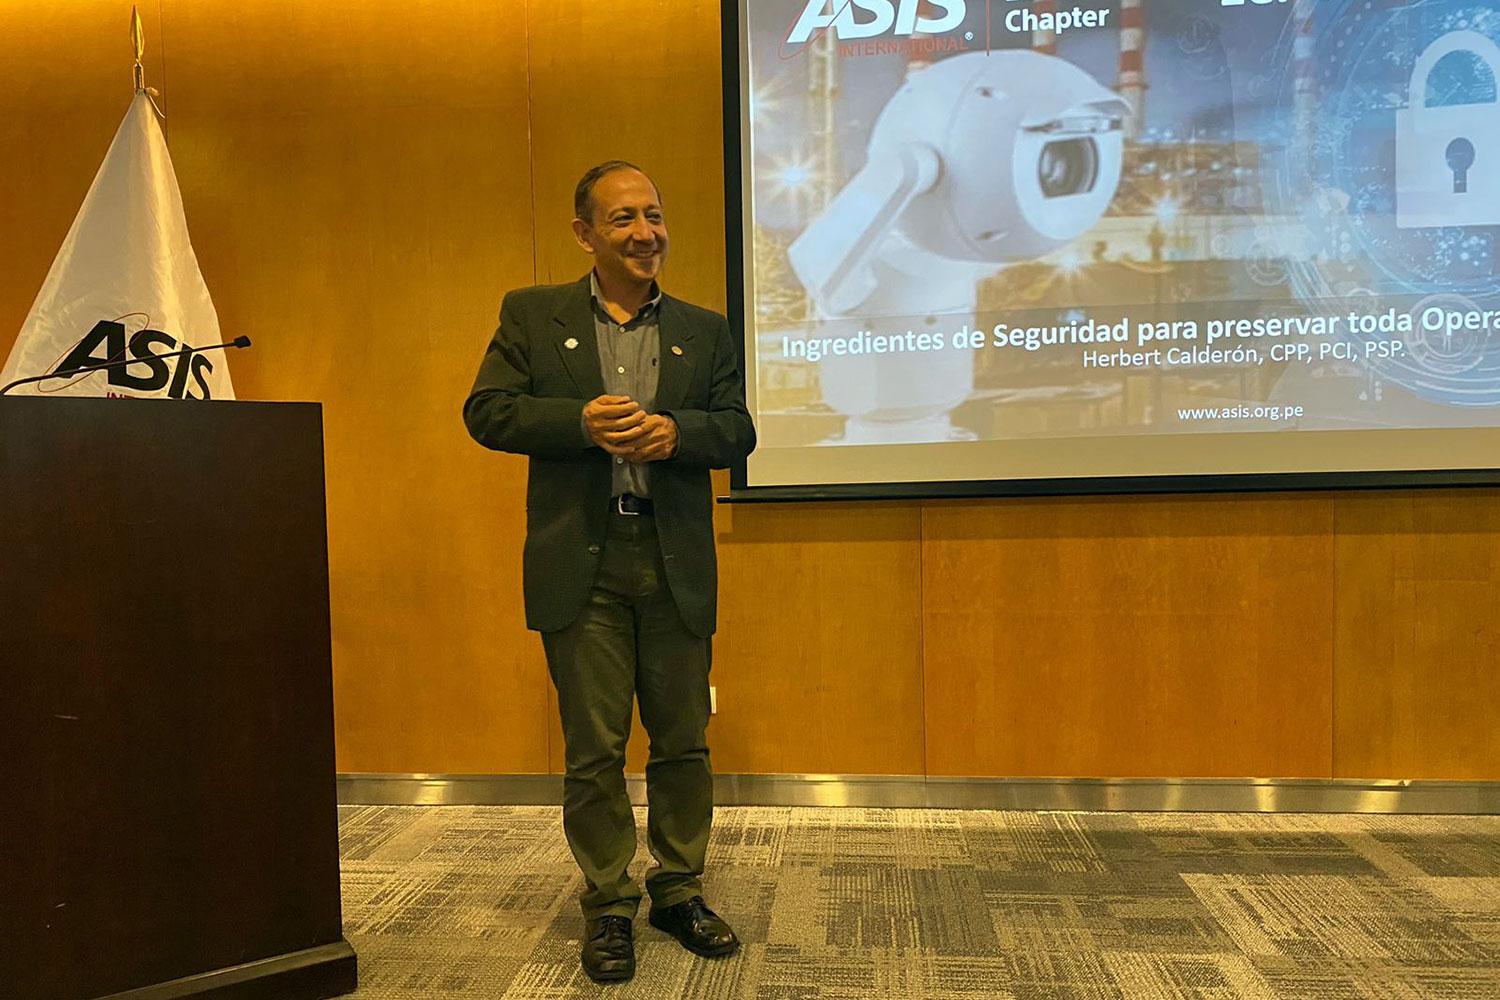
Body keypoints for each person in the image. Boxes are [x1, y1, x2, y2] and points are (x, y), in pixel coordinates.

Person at [463, 161, 756, 984]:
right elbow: (486, 412)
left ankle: (679, 887)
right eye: (623, 218)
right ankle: (608, 903)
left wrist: (678, 435)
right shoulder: (534, 314)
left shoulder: (705, 329)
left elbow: (737, 429)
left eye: (654, 216)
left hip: (673, 560)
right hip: (580, 563)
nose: (644, 233)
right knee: (594, 748)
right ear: (584, 233)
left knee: (682, 740)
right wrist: (579, 423)